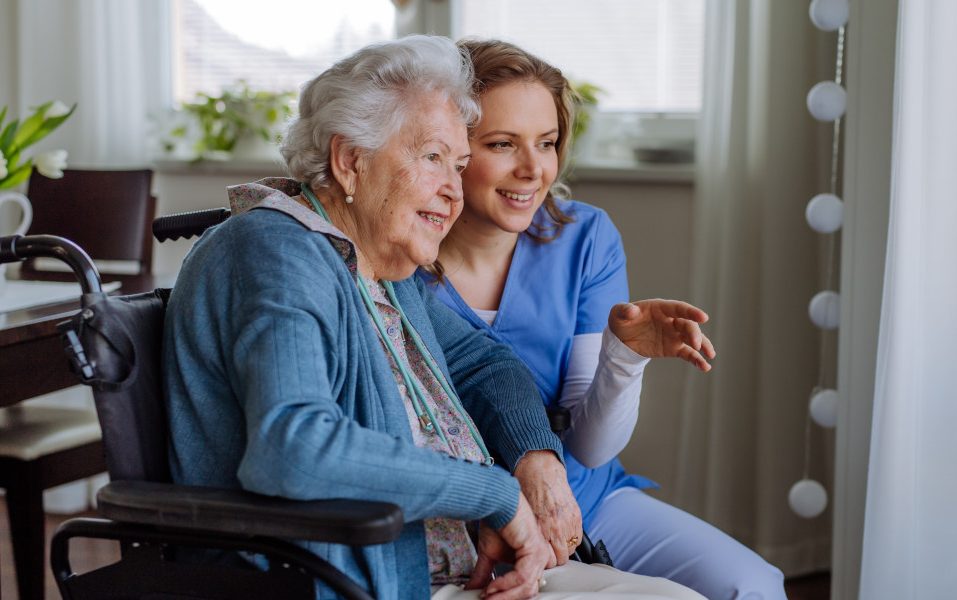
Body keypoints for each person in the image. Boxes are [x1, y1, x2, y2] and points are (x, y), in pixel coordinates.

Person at [163, 35, 703, 600]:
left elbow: (485, 362)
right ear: (351, 161)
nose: (452, 191)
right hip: (353, 582)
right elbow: (294, 450)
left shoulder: (373, 266)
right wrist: (493, 495)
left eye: (460, 164)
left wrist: (533, 460)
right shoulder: (278, 251)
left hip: (454, 571)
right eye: (431, 158)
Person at [422, 38, 788, 599]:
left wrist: (626, 355)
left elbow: (591, 448)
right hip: (461, 525)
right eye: (501, 144)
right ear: (448, 147)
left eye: (546, 143)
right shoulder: (400, 252)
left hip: (584, 495)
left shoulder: (583, 238)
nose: (532, 169)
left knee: (753, 586)